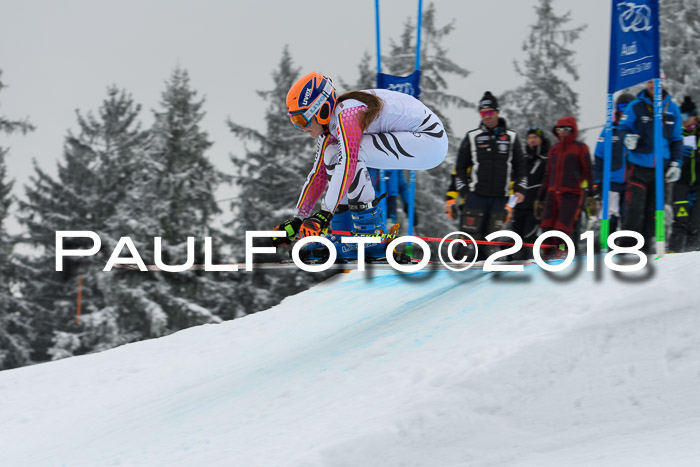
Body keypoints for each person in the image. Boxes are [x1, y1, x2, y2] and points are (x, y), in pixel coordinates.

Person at [271, 72, 448, 261]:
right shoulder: (332, 125)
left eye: (301, 119)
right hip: (419, 140)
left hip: (429, 140)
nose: (301, 127)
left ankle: (371, 237)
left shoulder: (347, 114)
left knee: (351, 154)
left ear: (321, 109)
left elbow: (348, 162)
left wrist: (323, 214)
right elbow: (318, 175)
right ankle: (343, 235)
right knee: (332, 154)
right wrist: (299, 218)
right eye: (294, 121)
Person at [445, 91, 527, 258]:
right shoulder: (472, 136)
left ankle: (483, 276)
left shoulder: (511, 137)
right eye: (483, 113)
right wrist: (463, 191)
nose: (487, 116)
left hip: (500, 198)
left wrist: (520, 189)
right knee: (468, 238)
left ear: (497, 111)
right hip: (476, 196)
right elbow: (460, 167)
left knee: (489, 241)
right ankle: (458, 266)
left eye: (490, 112)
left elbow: (521, 167)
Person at [617, 80, 684, 250]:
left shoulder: (672, 108)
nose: (654, 85)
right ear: (646, 84)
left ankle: (645, 250)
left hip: (661, 167)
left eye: (657, 82)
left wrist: (677, 162)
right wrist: (627, 138)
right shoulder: (636, 106)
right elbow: (623, 127)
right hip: (638, 164)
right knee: (634, 209)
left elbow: (676, 138)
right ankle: (627, 249)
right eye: (650, 82)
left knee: (652, 212)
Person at [534, 117, 592, 249]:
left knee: (562, 229)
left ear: (573, 130)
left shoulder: (580, 148)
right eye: (559, 129)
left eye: (566, 129)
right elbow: (548, 174)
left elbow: (588, 171)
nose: (562, 132)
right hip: (552, 193)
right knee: (546, 227)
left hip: (570, 194)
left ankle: (562, 253)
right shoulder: (554, 150)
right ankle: (548, 255)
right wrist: (540, 197)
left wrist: (591, 195)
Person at [592, 93, 635, 233]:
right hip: (612, 183)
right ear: (617, 108)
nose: (625, 111)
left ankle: (627, 248)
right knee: (610, 218)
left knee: (629, 218)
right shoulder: (609, 130)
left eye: (628, 107)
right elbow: (599, 156)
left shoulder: (637, 129)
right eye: (622, 107)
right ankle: (608, 249)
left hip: (633, 181)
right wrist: (598, 182)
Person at [669, 96, 700, 252]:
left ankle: (692, 253)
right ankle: (673, 252)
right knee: (680, 219)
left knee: (697, 221)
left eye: (686, 116)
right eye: (680, 117)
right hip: (681, 182)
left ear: (694, 115)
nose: (683, 120)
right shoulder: (676, 133)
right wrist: (677, 153)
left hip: (699, 183)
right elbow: (666, 155)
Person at [511, 127, 551, 246]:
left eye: (535, 137)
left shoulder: (547, 159)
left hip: (536, 207)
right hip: (519, 206)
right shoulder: (522, 159)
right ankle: (513, 260)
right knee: (516, 237)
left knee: (530, 237)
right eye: (529, 138)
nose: (531, 140)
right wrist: (510, 204)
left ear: (541, 139)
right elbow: (513, 179)